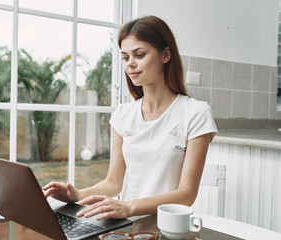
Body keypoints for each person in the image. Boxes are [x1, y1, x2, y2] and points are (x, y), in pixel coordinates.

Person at [43, 15, 217, 221]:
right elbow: (113, 182)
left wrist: (128, 207)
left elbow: (186, 194)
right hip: (123, 228)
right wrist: (79, 195)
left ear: (166, 55)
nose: (130, 64)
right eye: (125, 57)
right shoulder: (123, 115)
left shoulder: (195, 113)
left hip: (164, 227)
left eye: (139, 55)